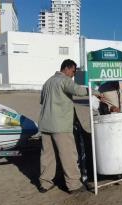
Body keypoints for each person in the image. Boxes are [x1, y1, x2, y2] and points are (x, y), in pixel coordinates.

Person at [38, 59, 89, 194]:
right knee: (68, 156)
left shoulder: (48, 82)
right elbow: (78, 90)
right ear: (67, 68)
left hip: (45, 124)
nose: (73, 75)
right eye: (73, 71)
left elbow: (42, 101)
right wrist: (92, 91)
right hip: (60, 125)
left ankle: (45, 183)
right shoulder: (64, 80)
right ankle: (74, 185)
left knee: (47, 156)